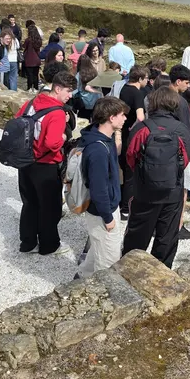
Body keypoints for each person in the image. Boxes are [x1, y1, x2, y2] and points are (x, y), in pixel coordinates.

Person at [123, 87, 190, 267]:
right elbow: (188, 157)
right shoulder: (181, 129)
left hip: (144, 191)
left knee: (137, 235)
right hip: (173, 191)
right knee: (167, 237)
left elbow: (130, 156)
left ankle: (130, 269)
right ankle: (161, 273)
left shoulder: (141, 128)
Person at [15, 71, 77, 255]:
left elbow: (17, 121)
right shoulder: (57, 112)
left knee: (29, 203)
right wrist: (64, 135)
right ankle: (49, 245)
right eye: (68, 91)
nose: (70, 95)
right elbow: (52, 143)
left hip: (25, 161)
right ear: (57, 89)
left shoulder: (32, 102)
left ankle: (27, 242)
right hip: (46, 165)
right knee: (50, 207)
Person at [76, 97, 129, 278]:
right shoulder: (98, 150)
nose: (125, 118)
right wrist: (108, 218)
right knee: (108, 261)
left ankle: (82, 277)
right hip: (102, 212)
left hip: (105, 207)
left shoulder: (104, 138)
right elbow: (98, 189)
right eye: (122, 115)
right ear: (111, 117)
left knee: (98, 248)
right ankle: (100, 294)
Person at [168, 64, 190, 241]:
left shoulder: (156, 96)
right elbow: (187, 130)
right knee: (182, 189)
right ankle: (177, 226)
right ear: (178, 82)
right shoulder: (181, 102)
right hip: (179, 151)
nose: (188, 86)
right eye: (186, 83)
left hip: (160, 150)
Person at [119, 65, 148, 219]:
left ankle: (120, 202)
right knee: (131, 173)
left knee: (122, 170)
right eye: (146, 78)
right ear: (140, 79)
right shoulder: (137, 93)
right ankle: (126, 208)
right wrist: (136, 128)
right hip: (130, 135)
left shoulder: (124, 88)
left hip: (121, 133)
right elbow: (141, 116)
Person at [22, 23, 42, 90]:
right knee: (35, 75)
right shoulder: (39, 39)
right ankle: (36, 88)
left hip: (29, 59)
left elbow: (24, 47)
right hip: (37, 59)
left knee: (29, 75)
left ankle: (30, 88)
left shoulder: (28, 40)